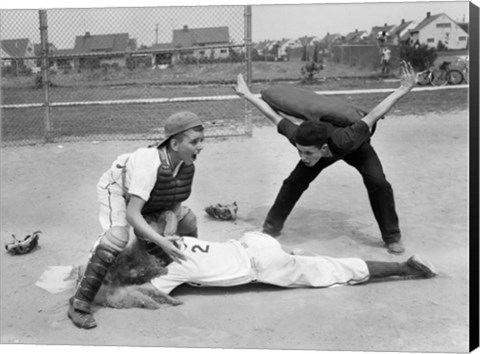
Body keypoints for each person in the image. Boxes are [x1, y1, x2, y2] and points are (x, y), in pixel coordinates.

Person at [233, 61, 419, 255]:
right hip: (322, 149)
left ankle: (392, 237)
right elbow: (273, 115)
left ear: (322, 148)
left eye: (307, 153)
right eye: (299, 151)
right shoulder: (299, 138)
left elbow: (373, 115)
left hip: (357, 149)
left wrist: (403, 89)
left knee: (379, 183)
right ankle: (270, 230)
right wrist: (247, 95)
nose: (303, 157)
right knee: (293, 183)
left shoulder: (345, 139)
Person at [68, 111, 205, 329]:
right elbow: (133, 214)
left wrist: (169, 230)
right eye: (194, 141)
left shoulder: (186, 164)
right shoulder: (147, 166)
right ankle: (79, 303)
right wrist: (161, 241)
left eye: (201, 140)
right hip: (117, 190)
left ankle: (177, 270)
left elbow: (174, 199)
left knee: (186, 220)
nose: (200, 146)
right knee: (118, 237)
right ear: (175, 144)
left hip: (144, 195)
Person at [150, 230, 437, 295]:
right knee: (305, 261)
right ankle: (297, 256)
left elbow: (149, 293)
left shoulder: (171, 269)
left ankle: (405, 268)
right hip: (254, 241)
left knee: (335, 269)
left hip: (263, 264)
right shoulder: (178, 238)